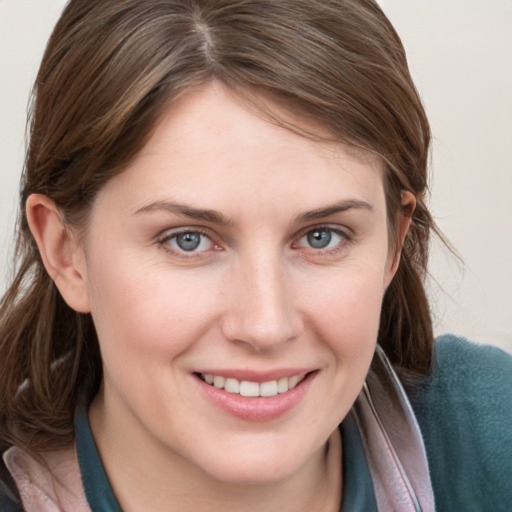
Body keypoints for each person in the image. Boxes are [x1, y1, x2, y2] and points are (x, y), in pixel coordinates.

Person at [0, 0, 510, 510]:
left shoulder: (489, 439)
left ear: (393, 245)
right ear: (66, 252)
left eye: (322, 236)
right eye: (188, 240)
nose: (266, 325)